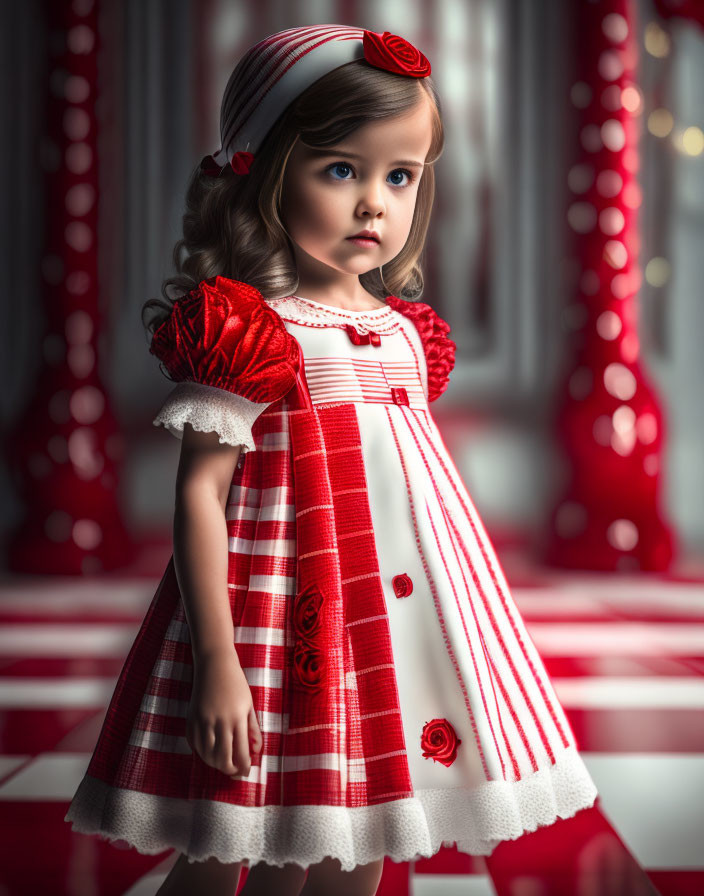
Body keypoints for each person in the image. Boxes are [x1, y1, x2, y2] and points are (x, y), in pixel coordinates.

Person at [64, 24, 600, 896]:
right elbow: (202, 497)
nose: (373, 205)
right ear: (267, 171)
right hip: (280, 619)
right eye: (340, 170)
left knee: (361, 837)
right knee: (229, 837)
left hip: (394, 627)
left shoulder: (404, 333)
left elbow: (410, 489)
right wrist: (217, 659)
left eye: (401, 176)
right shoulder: (250, 328)